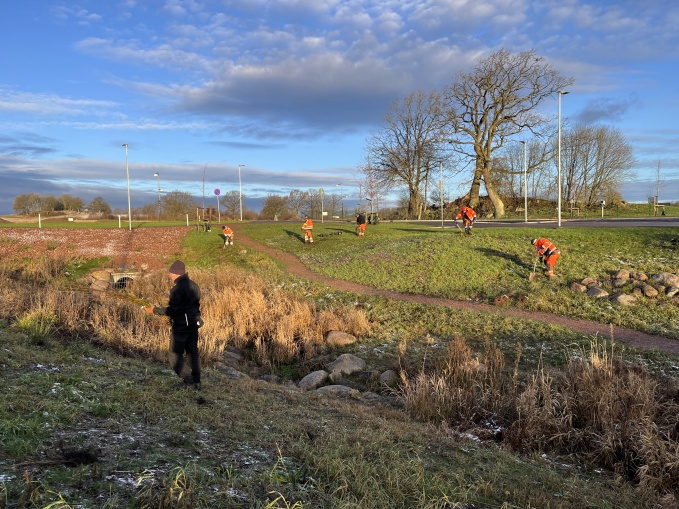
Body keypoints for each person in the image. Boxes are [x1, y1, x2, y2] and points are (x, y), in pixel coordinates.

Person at [145, 260, 203, 389]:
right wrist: (173, 300)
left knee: (174, 354)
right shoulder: (194, 285)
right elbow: (191, 303)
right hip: (193, 324)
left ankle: (188, 380)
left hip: (182, 326)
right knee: (192, 353)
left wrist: (154, 310)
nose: (169, 275)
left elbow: (173, 310)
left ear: (175, 274)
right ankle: (197, 382)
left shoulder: (176, 289)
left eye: (170, 273)